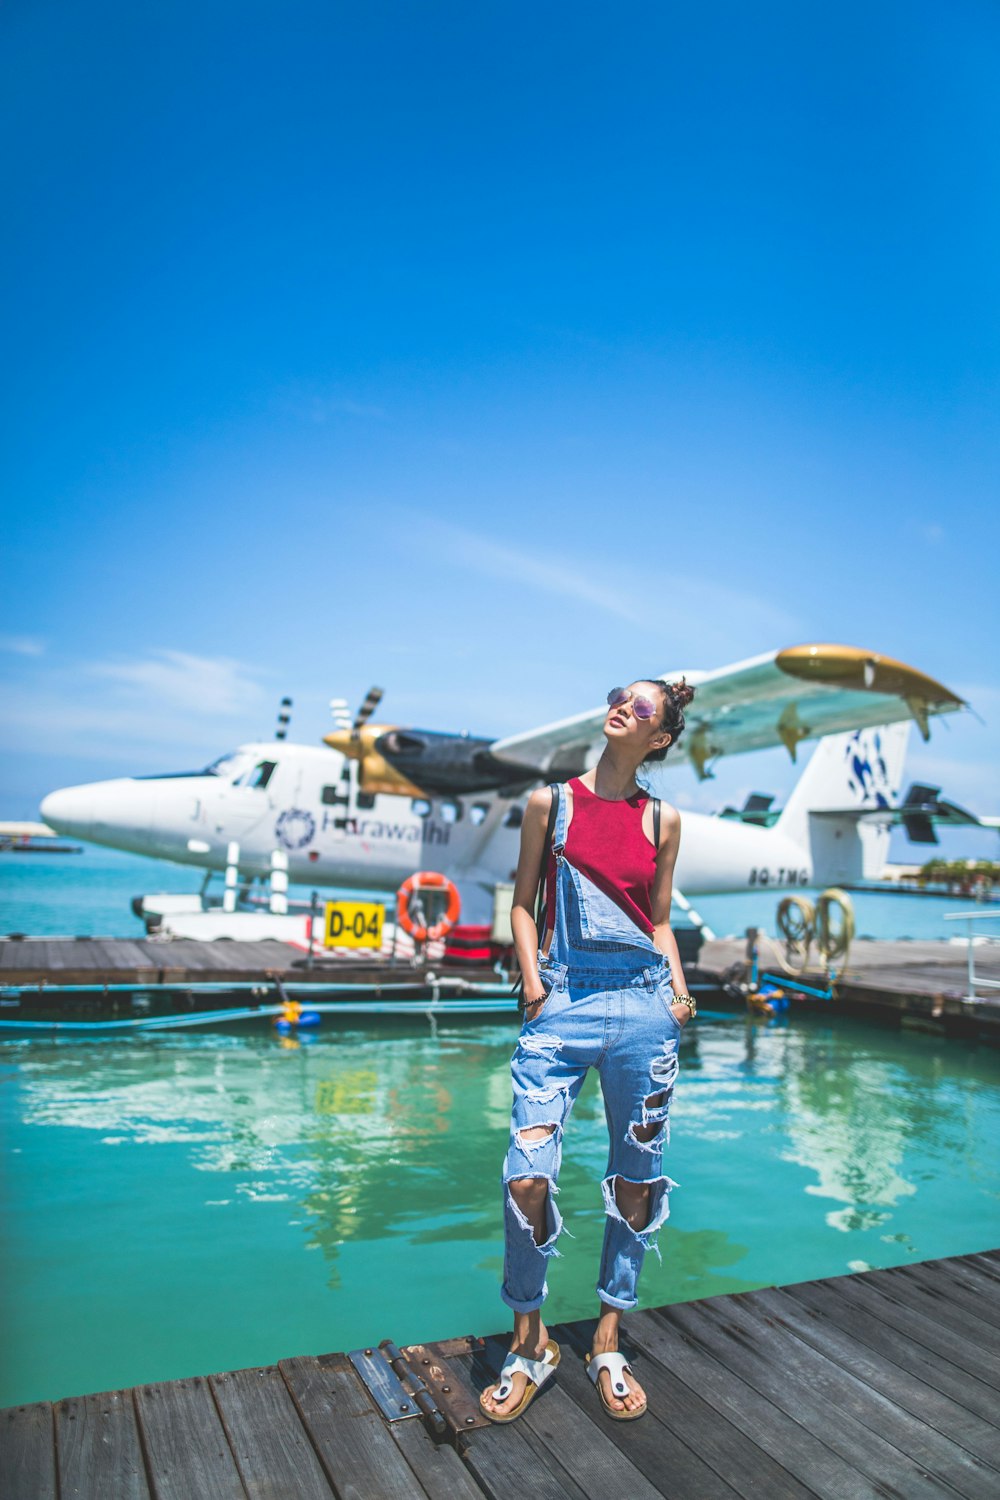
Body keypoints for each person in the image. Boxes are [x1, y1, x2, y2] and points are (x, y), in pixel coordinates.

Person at [479, 677, 696, 1423]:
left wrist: (678, 994)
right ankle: (530, 1341)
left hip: (644, 1006)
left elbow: (660, 922)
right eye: (619, 696)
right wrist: (534, 983)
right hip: (562, 1001)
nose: (622, 708)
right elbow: (520, 902)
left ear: (658, 738)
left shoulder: (664, 820)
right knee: (526, 1177)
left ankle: (607, 1337)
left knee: (637, 1182)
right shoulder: (552, 804)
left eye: (641, 708)